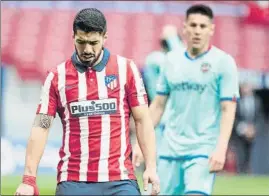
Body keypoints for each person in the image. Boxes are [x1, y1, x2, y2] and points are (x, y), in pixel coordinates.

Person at [15, 8, 160, 196]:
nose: (87, 50)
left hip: (120, 180)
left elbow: (143, 120)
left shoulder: (126, 69)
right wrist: (28, 179)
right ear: (73, 36)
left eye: (93, 43)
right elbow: (41, 126)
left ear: (105, 37)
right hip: (73, 181)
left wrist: (151, 167)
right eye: (81, 42)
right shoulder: (57, 77)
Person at [133, 4, 240, 195]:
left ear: (211, 29)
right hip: (169, 149)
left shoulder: (224, 63)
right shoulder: (170, 61)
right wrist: (142, 143)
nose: (197, 30)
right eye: (193, 25)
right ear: (184, 28)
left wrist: (221, 148)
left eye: (202, 26)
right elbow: (157, 105)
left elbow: (228, 108)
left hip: (202, 149)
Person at [132, 25, 185, 167]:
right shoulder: (156, 59)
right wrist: (172, 37)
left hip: (169, 116)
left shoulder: (167, 60)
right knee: (160, 162)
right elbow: (180, 59)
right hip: (161, 115)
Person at [231, 82, 263, 173]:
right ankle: (240, 173)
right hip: (240, 133)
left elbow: (259, 117)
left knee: (250, 155)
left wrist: (253, 129)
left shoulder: (257, 101)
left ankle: (248, 171)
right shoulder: (237, 100)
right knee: (240, 155)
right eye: (244, 87)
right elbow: (234, 117)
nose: (246, 89)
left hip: (253, 133)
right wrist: (244, 129)